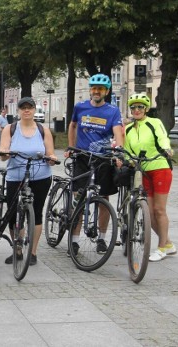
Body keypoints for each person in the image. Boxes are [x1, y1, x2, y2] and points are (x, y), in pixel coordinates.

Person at [65, 74, 124, 256]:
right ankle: (74, 242)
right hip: (83, 158)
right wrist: (72, 147)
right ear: (90, 90)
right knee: (79, 198)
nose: (96, 91)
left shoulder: (112, 111)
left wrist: (119, 151)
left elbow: (118, 132)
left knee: (104, 199)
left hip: (104, 159)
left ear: (106, 91)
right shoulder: (80, 107)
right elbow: (73, 125)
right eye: (94, 88)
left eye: (100, 89)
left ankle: (101, 239)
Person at [0, 97, 57, 265]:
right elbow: (3, 152)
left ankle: (33, 252)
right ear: (18, 111)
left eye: (29, 107)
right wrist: (4, 152)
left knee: (36, 212)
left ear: (34, 110)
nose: (26, 110)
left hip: (40, 176)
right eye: (23, 108)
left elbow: (50, 153)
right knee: (12, 213)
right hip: (16, 175)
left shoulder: (42, 130)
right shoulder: (10, 129)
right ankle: (17, 249)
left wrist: (51, 158)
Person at [123, 93, 176, 262]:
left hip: (159, 167)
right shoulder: (128, 129)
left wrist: (167, 149)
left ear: (145, 109)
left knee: (159, 210)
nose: (136, 110)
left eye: (140, 107)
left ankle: (161, 248)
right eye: (133, 107)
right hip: (143, 171)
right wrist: (127, 160)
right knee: (149, 213)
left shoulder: (154, 122)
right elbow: (127, 151)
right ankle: (168, 243)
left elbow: (163, 138)